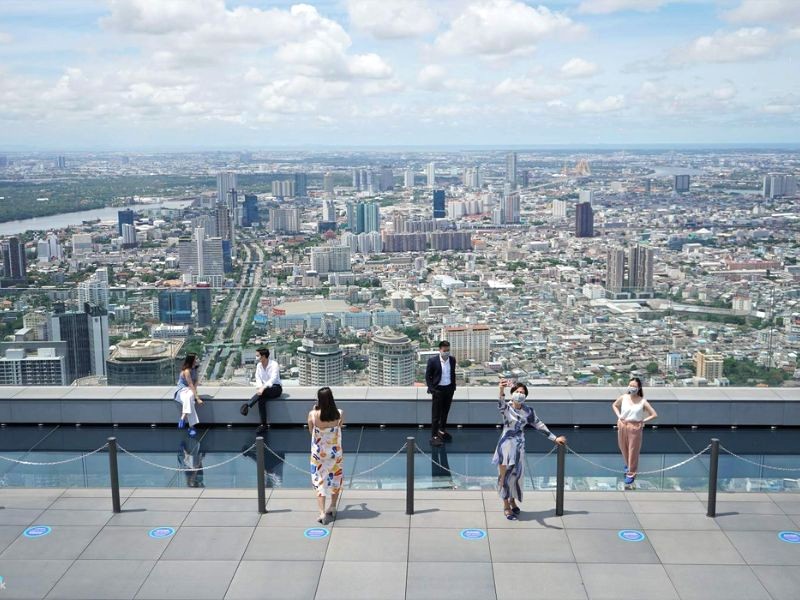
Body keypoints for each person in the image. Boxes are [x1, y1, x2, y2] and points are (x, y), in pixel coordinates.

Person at [493, 379, 566, 520]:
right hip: (505, 446)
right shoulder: (507, 408)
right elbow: (500, 404)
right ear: (512, 393)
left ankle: (513, 500)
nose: (519, 394)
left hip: (519, 446)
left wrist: (554, 438)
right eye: (517, 392)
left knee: (516, 476)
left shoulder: (528, 411)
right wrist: (501, 390)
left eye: (522, 392)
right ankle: (506, 505)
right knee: (504, 477)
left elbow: (539, 425)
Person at [612, 377, 657, 488]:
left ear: (639, 388)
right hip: (622, 424)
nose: (632, 388)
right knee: (623, 447)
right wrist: (619, 417)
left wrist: (643, 421)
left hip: (635, 426)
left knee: (633, 450)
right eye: (630, 385)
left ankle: (631, 473)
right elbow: (614, 405)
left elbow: (654, 414)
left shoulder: (642, 401)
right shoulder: (624, 397)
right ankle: (628, 465)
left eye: (634, 386)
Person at [308, 387, 344, 524]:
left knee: (319, 481)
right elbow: (339, 428)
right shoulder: (339, 413)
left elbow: (312, 432)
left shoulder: (313, 414)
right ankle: (333, 506)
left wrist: (315, 411)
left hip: (319, 455)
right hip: (335, 453)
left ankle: (322, 512)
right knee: (336, 478)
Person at [240, 348, 282, 434]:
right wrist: (260, 387)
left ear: (263, 356)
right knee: (261, 400)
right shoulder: (259, 365)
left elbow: (273, 379)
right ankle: (263, 424)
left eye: (257, 355)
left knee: (263, 393)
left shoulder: (274, 364)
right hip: (264, 389)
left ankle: (247, 405)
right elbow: (258, 377)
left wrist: (263, 388)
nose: (256, 357)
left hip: (276, 388)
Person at [425, 340, 457, 447]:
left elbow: (452, 373)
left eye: (448, 350)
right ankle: (434, 436)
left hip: (449, 389)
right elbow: (428, 376)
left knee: (445, 412)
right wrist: (432, 389)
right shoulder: (433, 361)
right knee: (436, 414)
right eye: (444, 350)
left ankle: (442, 431)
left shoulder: (452, 360)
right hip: (438, 390)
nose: (446, 352)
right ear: (440, 350)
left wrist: (453, 387)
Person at [175, 353, 202, 437]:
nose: (197, 359)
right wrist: (197, 398)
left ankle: (183, 417)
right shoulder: (187, 371)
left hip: (190, 389)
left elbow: (196, 382)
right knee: (190, 398)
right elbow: (190, 384)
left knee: (190, 397)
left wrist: (195, 392)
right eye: (196, 358)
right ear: (192, 360)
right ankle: (191, 427)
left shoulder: (195, 369)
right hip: (182, 390)